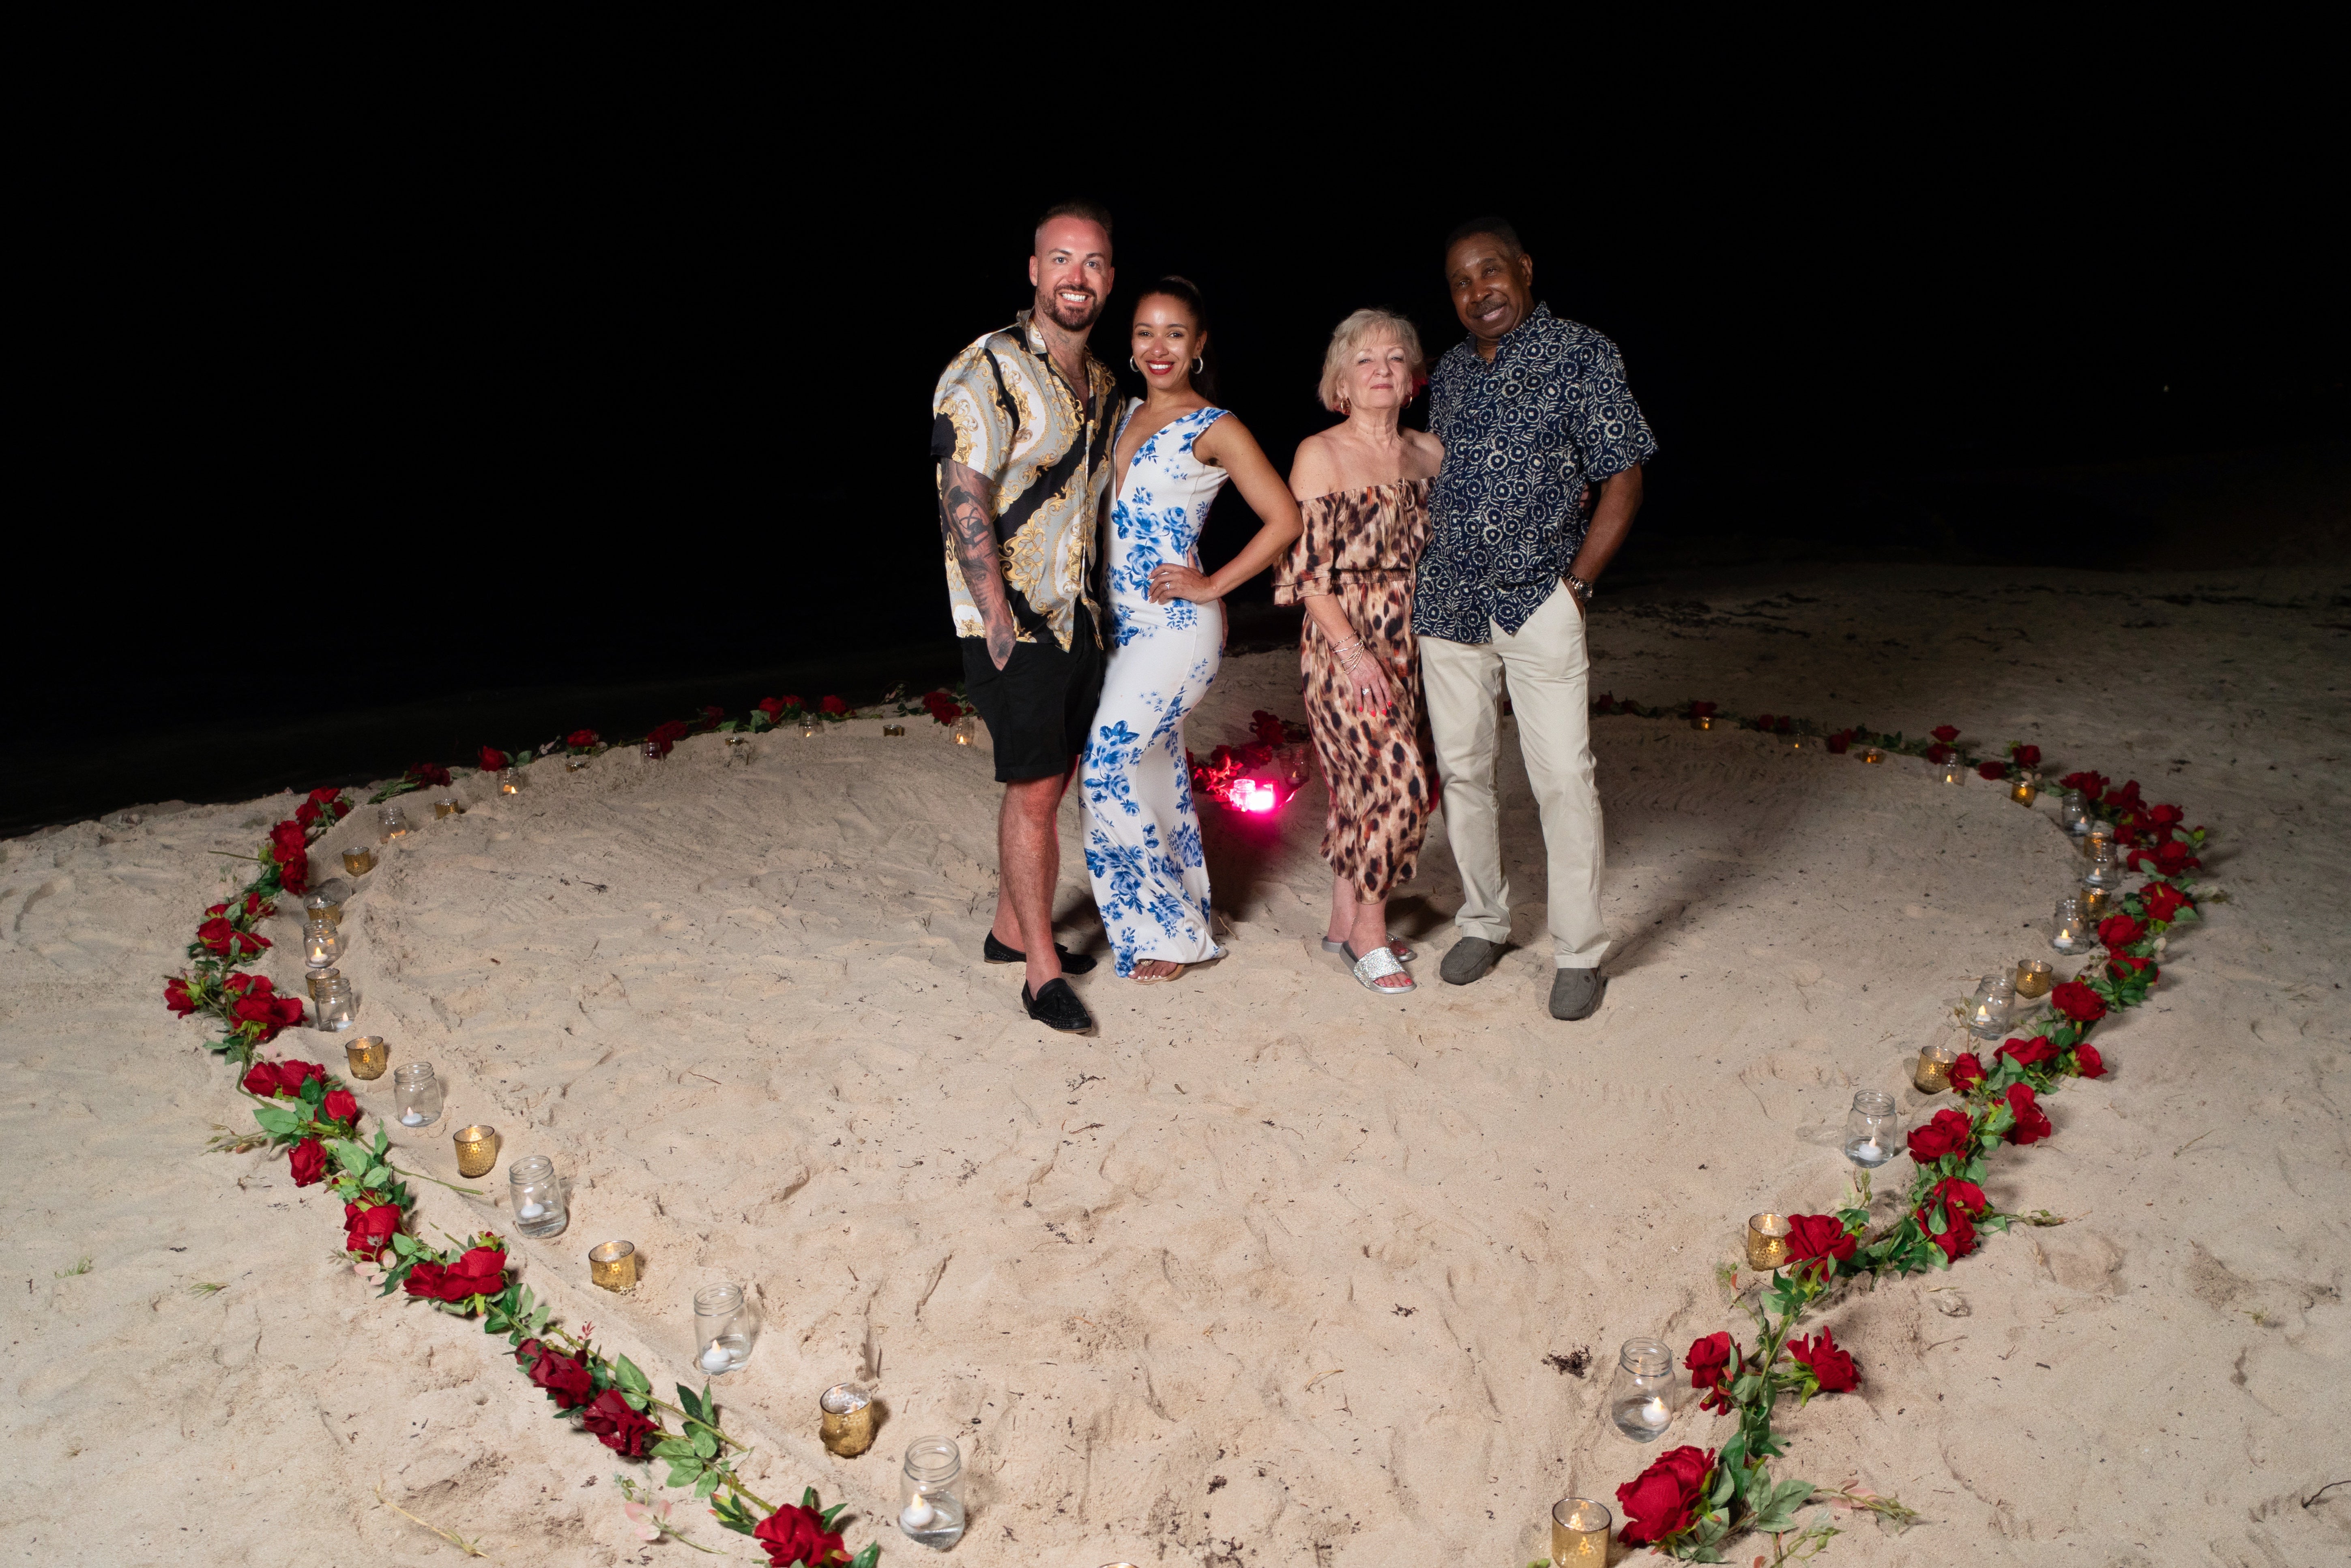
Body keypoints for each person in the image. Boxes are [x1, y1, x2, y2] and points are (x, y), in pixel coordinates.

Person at [1413, 217, 1656, 1021]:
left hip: (1537, 599)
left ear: (1522, 269)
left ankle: (1579, 951)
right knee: (1464, 772)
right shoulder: (1447, 371)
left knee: (1561, 778)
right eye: (1459, 281)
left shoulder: (1581, 353)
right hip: (1447, 600)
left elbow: (1622, 475)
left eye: (1489, 272)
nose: (1477, 290)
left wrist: (1577, 586)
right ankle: (1484, 920)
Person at [930, 200, 1121, 1034]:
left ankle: (1012, 930)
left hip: (1080, 616)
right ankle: (1039, 970)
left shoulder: (1104, 380)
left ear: (1107, 279)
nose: (1076, 277)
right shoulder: (988, 367)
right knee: (1035, 791)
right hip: (1016, 624)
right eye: (1061, 260)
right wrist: (998, 620)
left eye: (1093, 263)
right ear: (1033, 271)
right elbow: (961, 494)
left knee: (1053, 779)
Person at [1080, 277, 1304, 982]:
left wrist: (1210, 585)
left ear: (1198, 345)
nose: (1158, 347)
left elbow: (1286, 519)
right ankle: (1180, 914)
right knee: (1151, 774)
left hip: (1177, 627)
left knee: (1104, 770)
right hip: (1118, 630)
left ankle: (1175, 936)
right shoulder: (1116, 414)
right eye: (1146, 332)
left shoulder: (1215, 427)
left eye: (1174, 334)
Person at [1275, 309, 1443, 995]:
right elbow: (1306, 573)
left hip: (1421, 640)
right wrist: (1353, 653)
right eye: (1365, 359)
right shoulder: (1320, 453)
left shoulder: (1432, 453)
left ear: (1411, 378)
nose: (1381, 369)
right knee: (1395, 783)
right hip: (1345, 639)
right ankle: (1371, 937)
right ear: (1340, 380)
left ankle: (1343, 923)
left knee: (1362, 791)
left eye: (1395, 358)